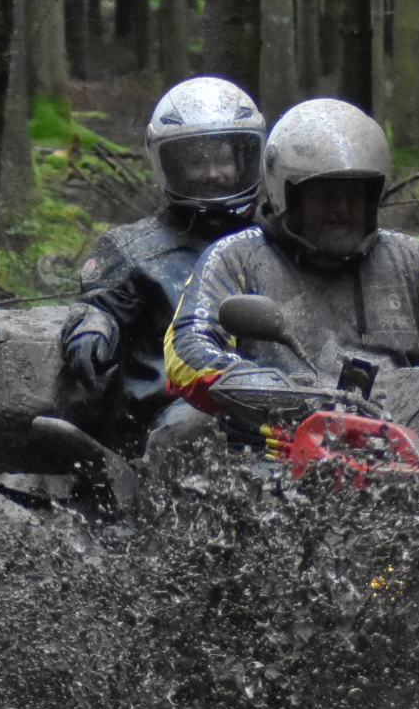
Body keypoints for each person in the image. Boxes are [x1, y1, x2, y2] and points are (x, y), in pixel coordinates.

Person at [165, 98, 419, 423]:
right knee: (183, 426)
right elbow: (188, 346)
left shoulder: (408, 259)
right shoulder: (237, 257)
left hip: (408, 436)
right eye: (326, 195)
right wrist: (257, 386)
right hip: (277, 437)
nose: (342, 208)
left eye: (355, 194)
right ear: (288, 195)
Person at [59, 76, 265, 456]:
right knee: (194, 426)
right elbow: (99, 305)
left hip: (271, 403)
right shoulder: (134, 248)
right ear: (170, 165)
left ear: (244, 160)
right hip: (170, 417)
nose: (213, 173)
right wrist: (92, 327)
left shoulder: (274, 242)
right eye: (197, 162)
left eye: (223, 159)